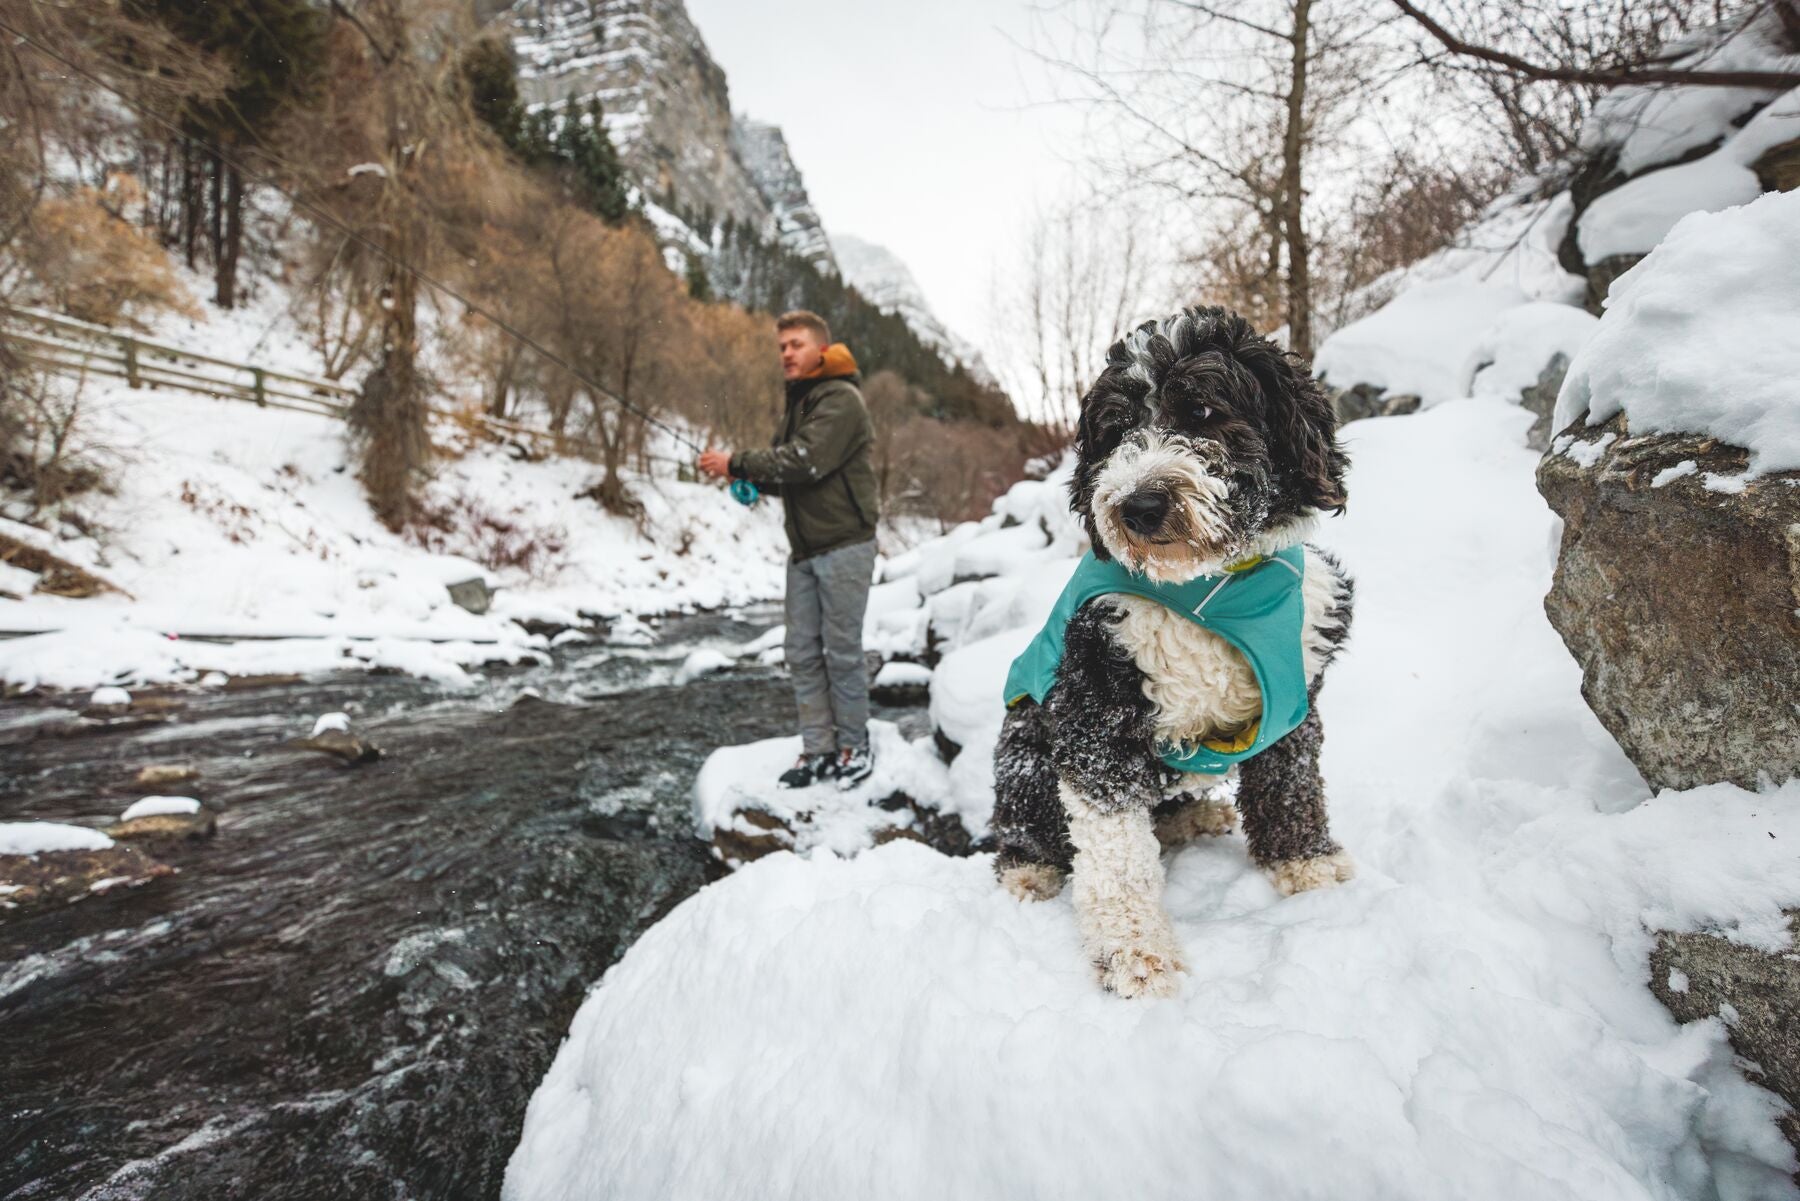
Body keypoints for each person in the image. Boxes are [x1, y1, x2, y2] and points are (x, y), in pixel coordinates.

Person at [698, 310, 880, 789]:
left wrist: (735, 461)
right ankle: (818, 748)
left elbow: (806, 461)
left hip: (845, 547)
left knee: (841, 652)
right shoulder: (800, 404)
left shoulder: (841, 399)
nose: (786, 354)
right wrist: (748, 478)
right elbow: (794, 479)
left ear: (821, 350)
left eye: (795, 345)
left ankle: (853, 745)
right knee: (800, 652)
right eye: (782, 347)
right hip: (804, 552)